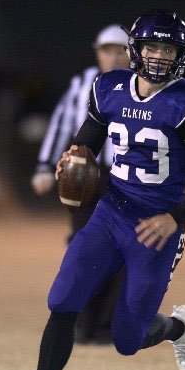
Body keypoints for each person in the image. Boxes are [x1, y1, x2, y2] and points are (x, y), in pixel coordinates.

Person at [0, 9, 185, 370]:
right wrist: (75, 154)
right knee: (62, 302)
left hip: (154, 228)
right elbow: (89, 137)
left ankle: (177, 328)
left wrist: (175, 218)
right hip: (109, 213)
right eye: (152, 47)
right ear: (135, 50)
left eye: (168, 48)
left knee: (126, 339)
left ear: (181, 54)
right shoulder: (110, 88)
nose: (159, 56)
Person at [31, 24, 130, 344]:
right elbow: (61, 125)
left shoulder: (143, 85)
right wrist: (45, 166)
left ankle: (105, 326)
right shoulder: (80, 84)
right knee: (83, 248)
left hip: (127, 179)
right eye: (107, 50)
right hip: (84, 178)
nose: (113, 57)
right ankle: (81, 322)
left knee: (124, 250)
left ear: (131, 53)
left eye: (120, 50)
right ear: (97, 52)